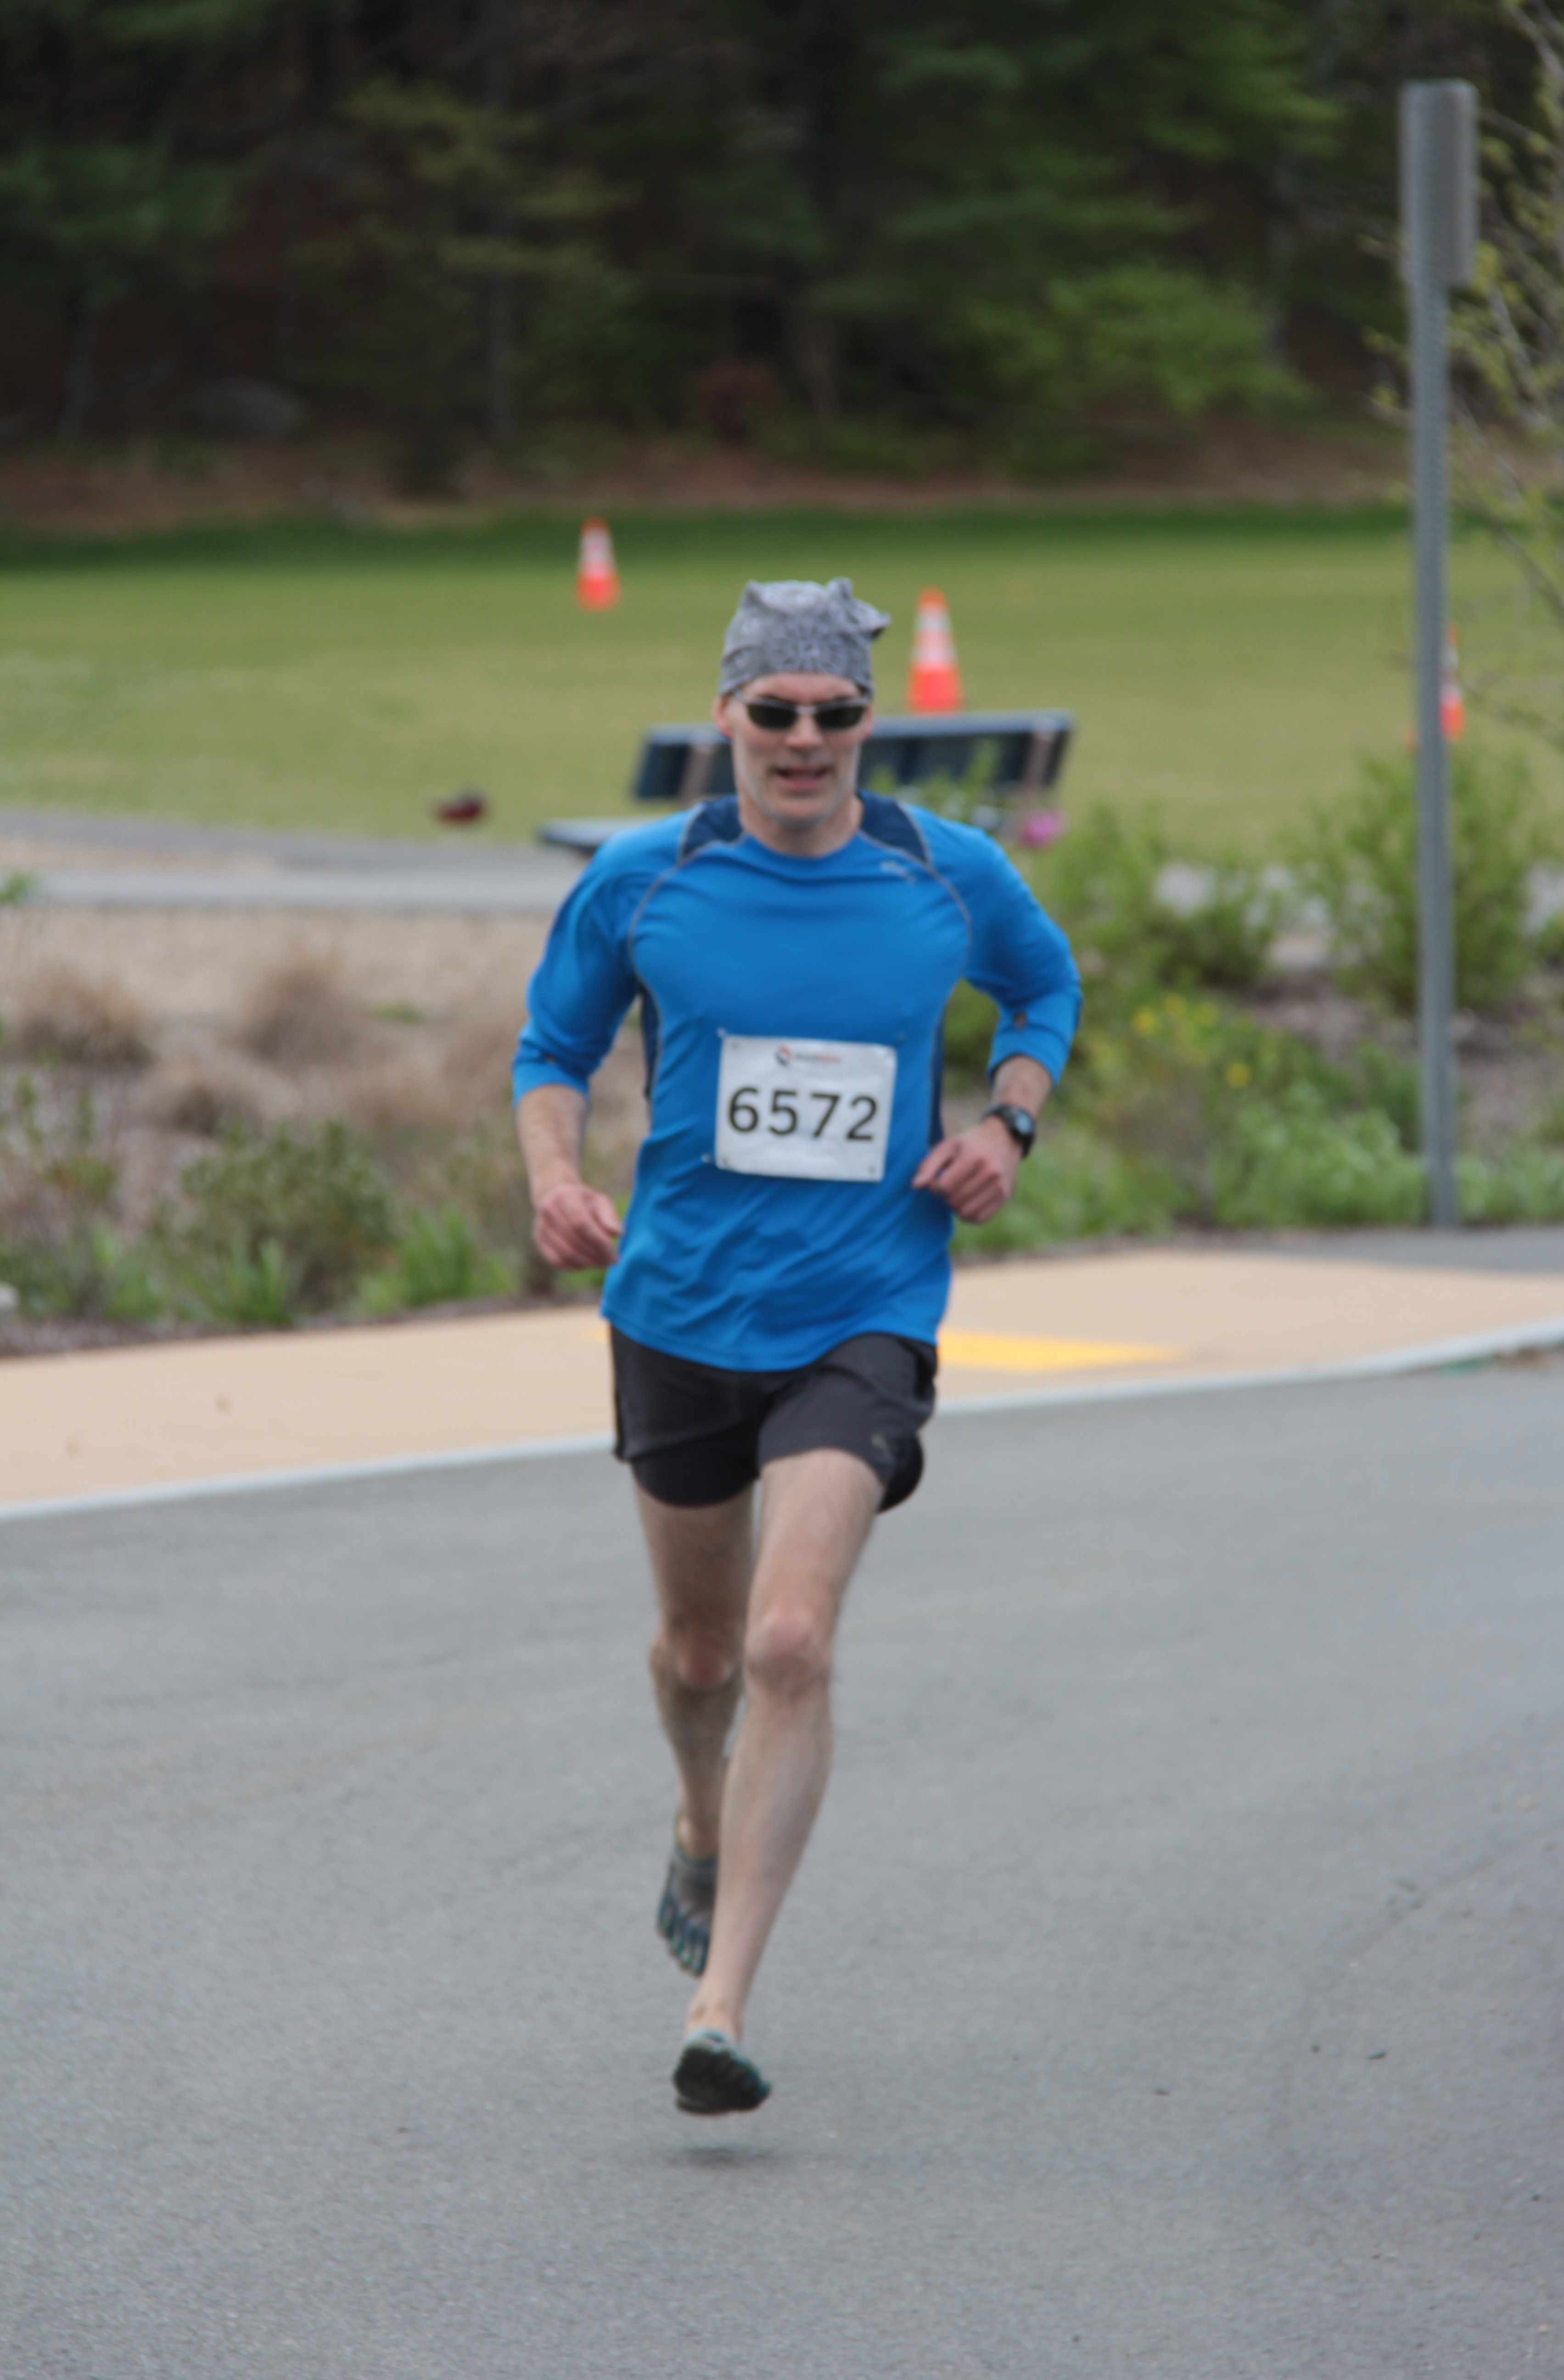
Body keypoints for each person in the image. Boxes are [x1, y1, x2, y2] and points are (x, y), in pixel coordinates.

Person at [513, 578, 1081, 2116]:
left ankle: (720, 2005)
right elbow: (553, 1045)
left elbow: (1044, 985)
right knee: (700, 1653)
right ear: (728, 719)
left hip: (865, 1311)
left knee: (787, 1643)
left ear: (868, 723)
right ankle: (699, 1821)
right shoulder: (645, 880)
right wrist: (555, 1176)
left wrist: (1008, 1124)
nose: (806, 740)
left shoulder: (944, 873)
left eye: (836, 714)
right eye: (776, 712)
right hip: (680, 1312)